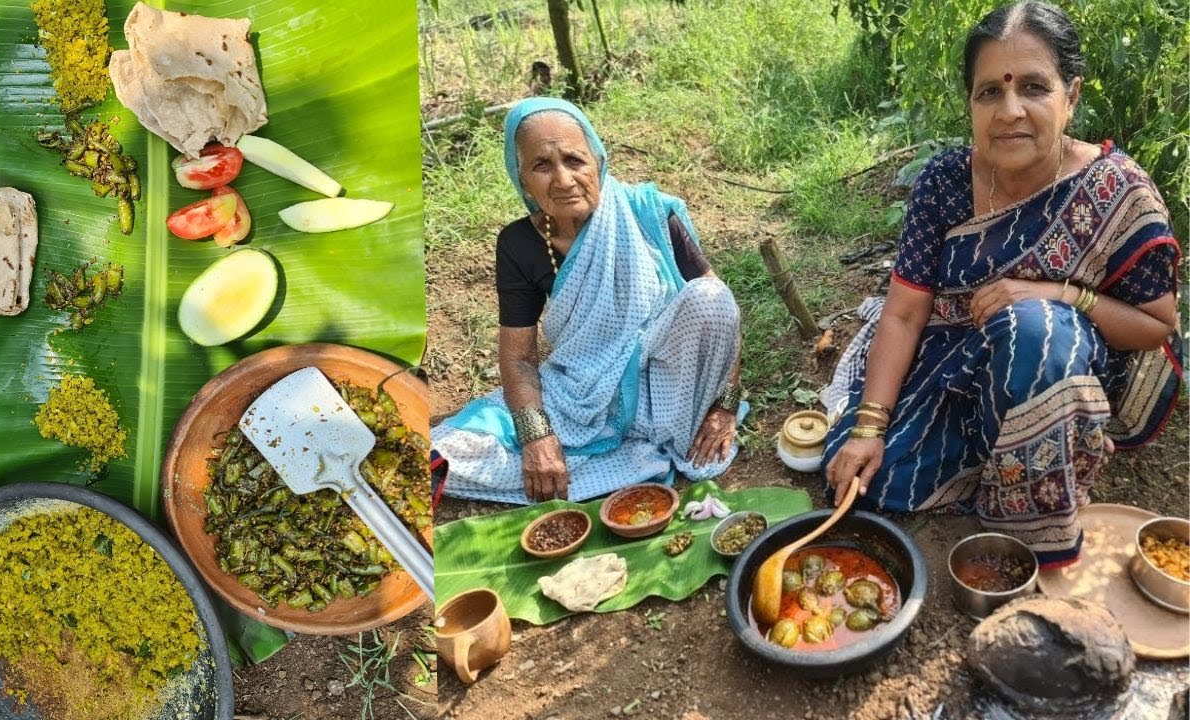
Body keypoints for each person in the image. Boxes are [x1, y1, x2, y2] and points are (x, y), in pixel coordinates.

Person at [823, 1, 1180, 568]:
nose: (1010, 110)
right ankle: (1023, 457)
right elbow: (904, 313)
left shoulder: (1118, 190)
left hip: (1057, 359)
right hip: (954, 361)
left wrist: (1060, 294)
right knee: (866, 475)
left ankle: (1034, 519)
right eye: (990, 92)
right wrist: (870, 425)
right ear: (970, 103)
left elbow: (1158, 326)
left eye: (1034, 87)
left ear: (1072, 97)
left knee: (1035, 328)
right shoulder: (944, 182)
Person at [433, 98, 744, 505]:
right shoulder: (520, 244)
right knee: (451, 456)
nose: (563, 180)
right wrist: (537, 438)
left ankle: (647, 444)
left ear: (598, 160)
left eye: (575, 160)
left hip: (674, 386)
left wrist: (725, 407)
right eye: (542, 166)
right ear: (522, 179)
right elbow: (519, 357)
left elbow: (723, 313)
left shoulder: (647, 213)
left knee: (710, 297)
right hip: (583, 392)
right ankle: (613, 455)